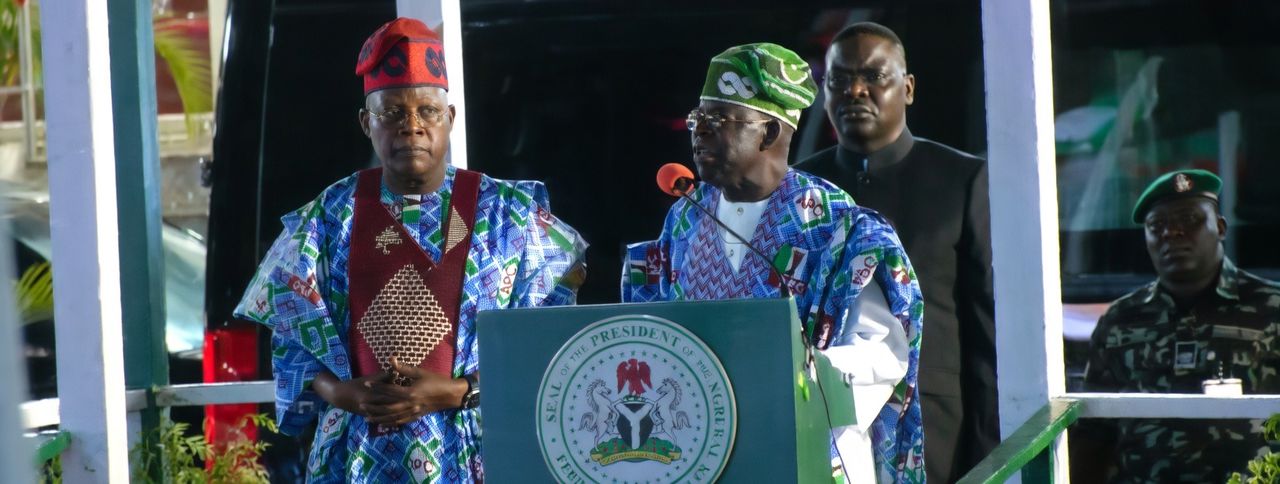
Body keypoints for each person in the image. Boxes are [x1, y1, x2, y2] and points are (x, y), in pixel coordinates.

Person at [233, 18, 587, 483]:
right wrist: (342, 394)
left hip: (477, 453)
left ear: (450, 119)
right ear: (367, 122)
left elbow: (549, 340)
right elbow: (290, 338)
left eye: (428, 111)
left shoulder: (512, 215)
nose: (412, 127)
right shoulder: (329, 215)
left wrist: (457, 391)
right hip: (357, 457)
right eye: (393, 114)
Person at [622, 42, 925, 483]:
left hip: (806, 455)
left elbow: (880, 353)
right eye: (696, 119)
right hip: (701, 457)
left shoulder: (837, 226)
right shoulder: (685, 217)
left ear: (768, 133)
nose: (698, 133)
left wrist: (797, 380)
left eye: (717, 120)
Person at [793, 22, 998, 483]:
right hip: (828, 429)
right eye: (839, 80)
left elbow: (987, 332)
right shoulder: (800, 193)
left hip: (938, 430)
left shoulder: (964, 180)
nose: (855, 91)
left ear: (907, 88)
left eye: (873, 76)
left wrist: (989, 457)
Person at [1074, 169, 1280, 483]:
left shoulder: (1272, 308)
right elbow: (1094, 434)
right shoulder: (1120, 319)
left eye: (1190, 219)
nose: (1172, 233)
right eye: (1157, 226)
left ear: (1220, 228)